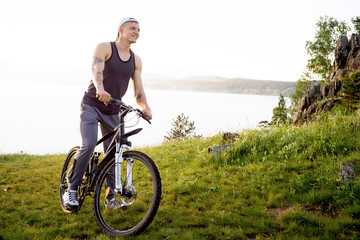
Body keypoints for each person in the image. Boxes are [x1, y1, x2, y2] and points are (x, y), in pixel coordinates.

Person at [63, 17, 152, 210]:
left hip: (113, 110)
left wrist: (145, 107)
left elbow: (138, 89)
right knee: (88, 145)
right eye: (133, 28)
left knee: (113, 153)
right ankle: (71, 189)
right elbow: (96, 69)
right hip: (92, 105)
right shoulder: (104, 47)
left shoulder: (136, 60)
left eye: (139, 29)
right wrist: (100, 89)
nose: (137, 32)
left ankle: (110, 197)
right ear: (121, 29)